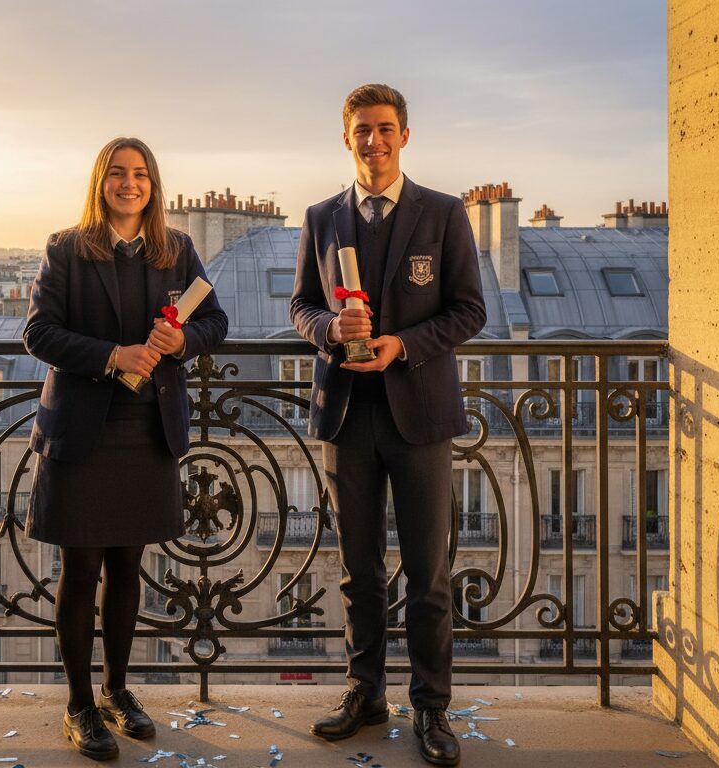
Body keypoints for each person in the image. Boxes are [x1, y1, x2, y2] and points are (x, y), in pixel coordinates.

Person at [289, 84, 486, 766]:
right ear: (345, 139)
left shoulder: (443, 213)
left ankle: (431, 710)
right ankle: (364, 693)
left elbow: (469, 311)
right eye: (361, 131)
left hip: (420, 413)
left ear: (404, 135)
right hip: (347, 412)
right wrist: (328, 328)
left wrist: (402, 345)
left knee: (428, 572)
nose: (373, 140)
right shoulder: (321, 217)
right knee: (358, 570)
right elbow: (300, 307)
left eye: (384, 129)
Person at [23, 137, 228, 761]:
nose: (129, 184)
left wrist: (180, 340)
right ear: (100, 182)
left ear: (154, 185)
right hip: (86, 427)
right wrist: (112, 355)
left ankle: (117, 689)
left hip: (146, 428)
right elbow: (37, 332)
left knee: (127, 567)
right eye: (118, 173)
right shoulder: (66, 248)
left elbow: (215, 321)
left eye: (140, 174)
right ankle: (79, 704)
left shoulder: (177, 250)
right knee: (81, 569)